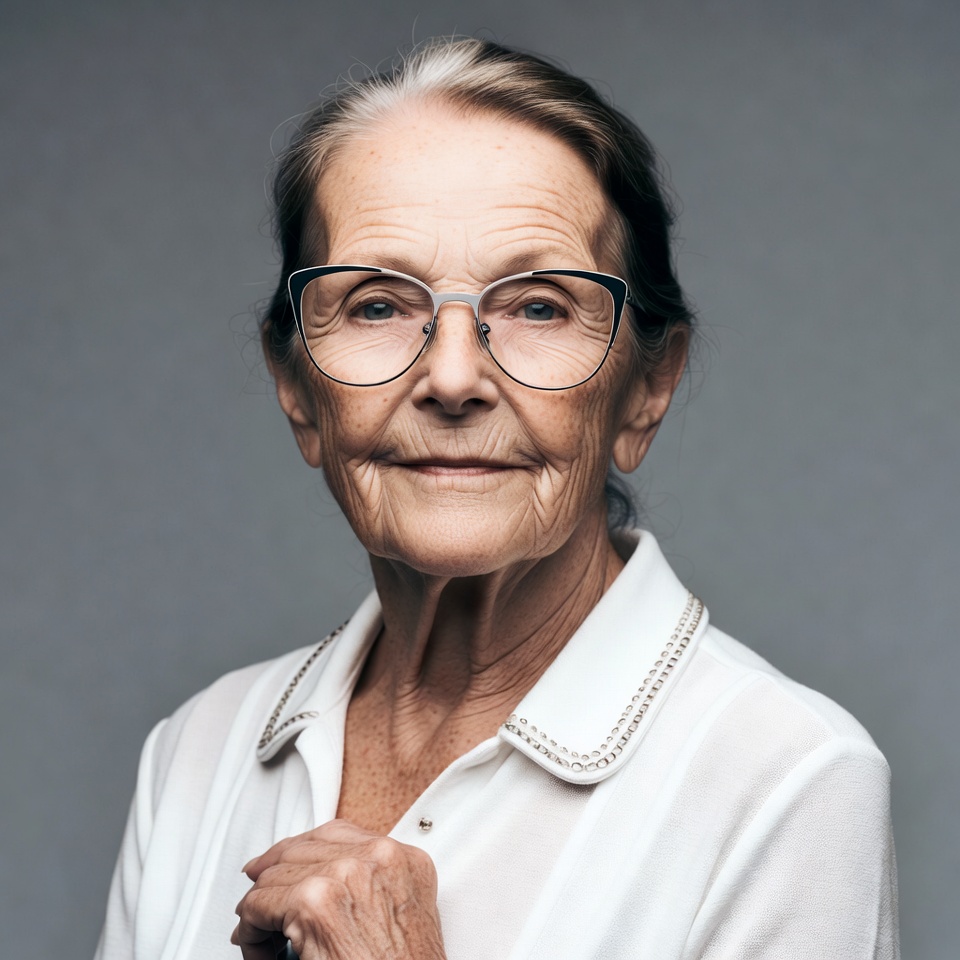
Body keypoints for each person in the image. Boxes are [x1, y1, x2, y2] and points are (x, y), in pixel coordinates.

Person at [95, 37, 899, 960]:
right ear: (298, 389)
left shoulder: (789, 779)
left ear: (646, 390)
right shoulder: (196, 750)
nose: (452, 378)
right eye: (376, 304)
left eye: (539, 306)